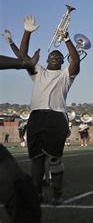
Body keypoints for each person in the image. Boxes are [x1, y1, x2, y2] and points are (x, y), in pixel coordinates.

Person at [17, 15, 80, 206]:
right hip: (36, 117)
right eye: (52, 56)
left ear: (62, 61)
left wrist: (67, 38)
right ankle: (37, 194)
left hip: (55, 117)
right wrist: (27, 32)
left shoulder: (65, 75)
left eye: (58, 57)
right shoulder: (38, 72)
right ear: (47, 59)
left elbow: (76, 61)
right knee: (36, 160)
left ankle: (57, 194)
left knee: (54, 159)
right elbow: (22, 56)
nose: (54, 58)